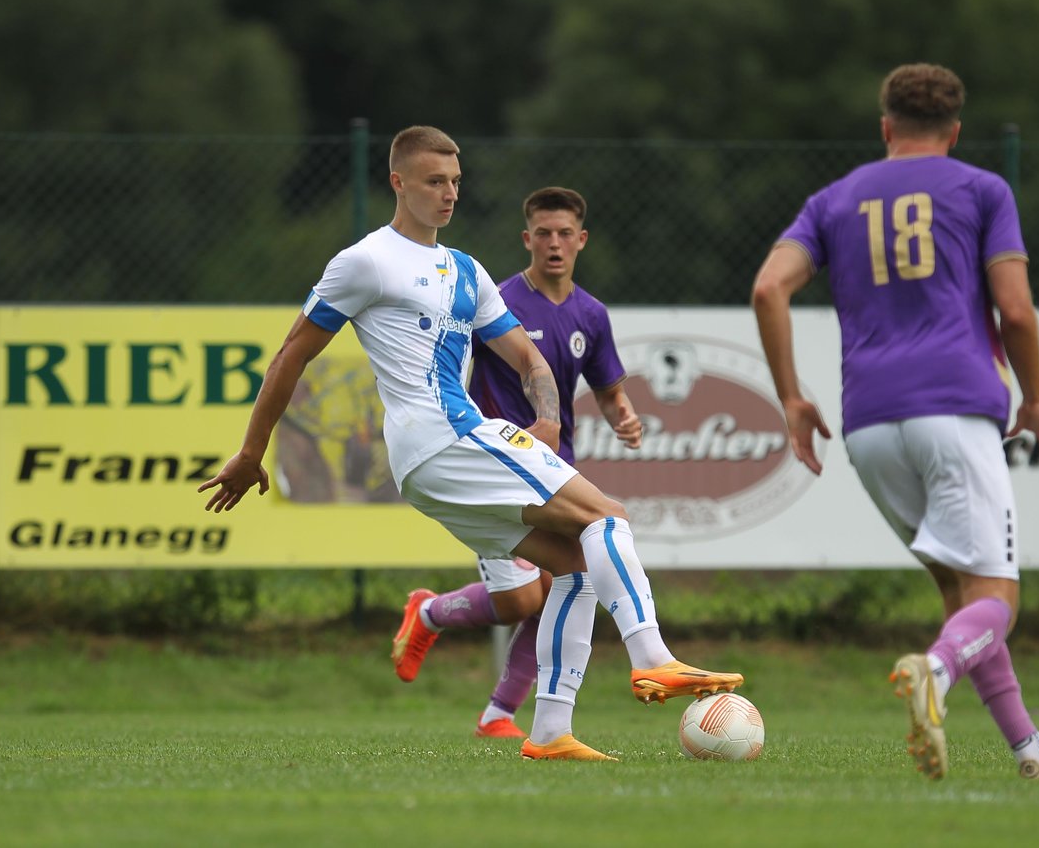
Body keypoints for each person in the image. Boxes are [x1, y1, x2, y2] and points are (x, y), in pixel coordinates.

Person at [198, 126, 742, 762]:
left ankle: (550, 733)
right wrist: (251, 452)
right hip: (445, 435)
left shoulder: (466, 270)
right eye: (435, 181)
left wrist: (547, 419)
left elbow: (529, 359)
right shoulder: (366, 261)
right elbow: (291, 355)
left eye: (455, 181)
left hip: (431, 462)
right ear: (398, 183)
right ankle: (653, 658)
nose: (449, 193)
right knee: (608, 517)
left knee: (573, 565)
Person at [751, 64, 1039, 781]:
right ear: (955, 132)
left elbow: (769, 287)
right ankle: (936, 671)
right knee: (996, 598)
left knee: (962, 595)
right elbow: (1016, 310)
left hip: (869, 423)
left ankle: (1031, 751)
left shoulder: (835, 199)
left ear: (885, 127)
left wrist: (791, 397)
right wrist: (1035, 398)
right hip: (954, 407)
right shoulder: (982, 190)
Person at [390, 186, 644, 740]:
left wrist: (623, 415)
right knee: (521, 600)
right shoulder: (499, 301)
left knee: (562, 582)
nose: (554, 244)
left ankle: (499, 716)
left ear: (581, 240)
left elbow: (608, 389)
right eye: (543, 234)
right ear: (527, 239)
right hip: (492, 465)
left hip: (554, 468)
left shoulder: (591, 314)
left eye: (564, 234)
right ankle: (428, 613)